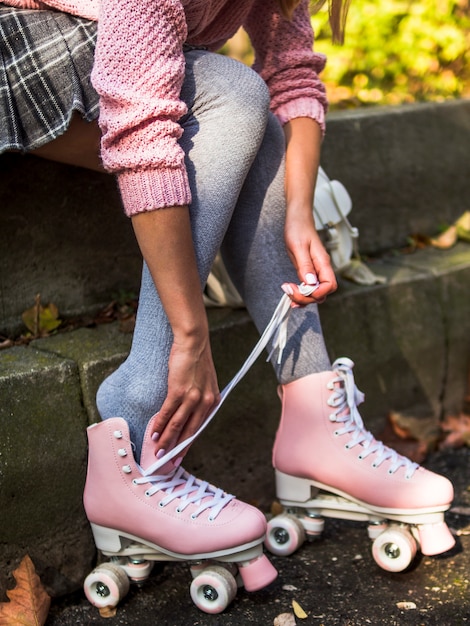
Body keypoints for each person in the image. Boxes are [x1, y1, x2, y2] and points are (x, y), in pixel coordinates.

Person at [1, 0, 456, 609]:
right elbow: (143, 142)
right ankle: (136, 420)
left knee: (252, 108)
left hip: (97, 47)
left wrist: (299, 209)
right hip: (15, 42)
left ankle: (315, 416)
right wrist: (189, 337)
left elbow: (293, 71)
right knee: (233, 93)